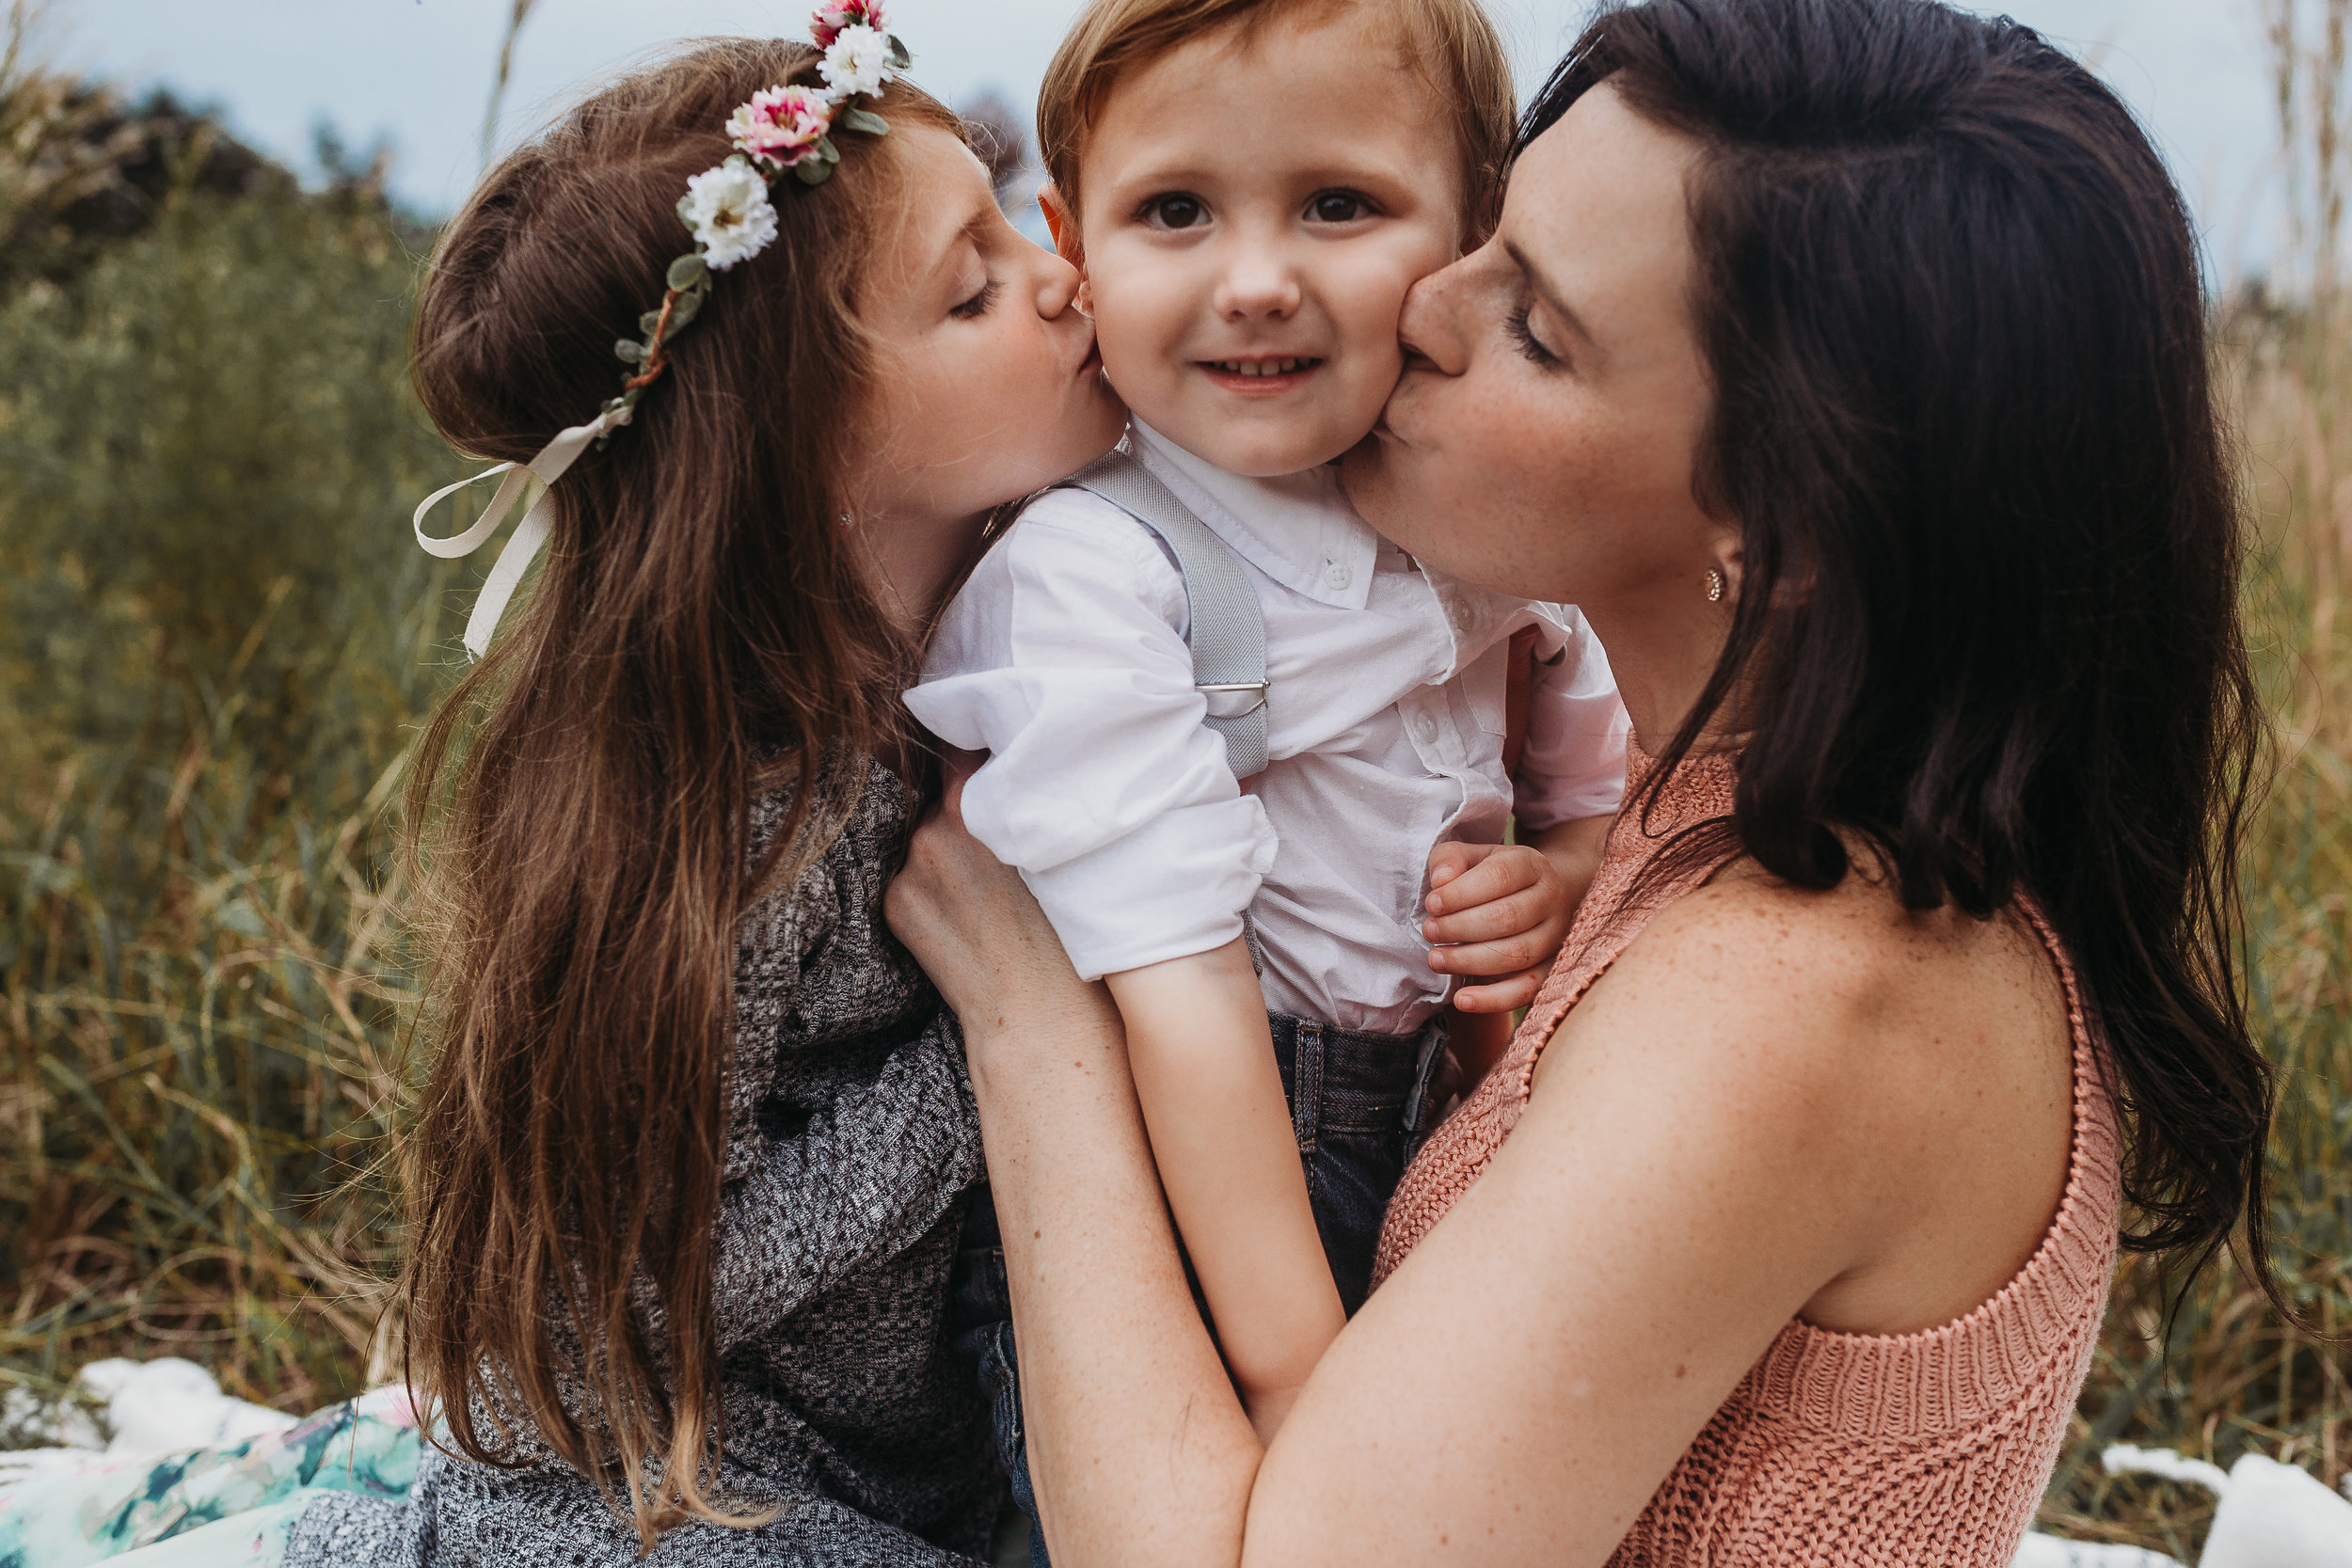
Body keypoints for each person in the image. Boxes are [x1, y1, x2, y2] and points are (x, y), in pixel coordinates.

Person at [884, 0, 2281, 1562]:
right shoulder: (1701, 815)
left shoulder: (1811, 1000)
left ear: (1786, 526)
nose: (1418, 307)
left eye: (1536, 325)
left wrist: (1031, 1027)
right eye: (1484, 235)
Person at [0, 21, 1125, 1568]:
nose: (1062, 268)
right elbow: (638, 1286)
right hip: (666, 1481)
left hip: (899, 1453)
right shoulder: (748, 804)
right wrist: (1001, 1062)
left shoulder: (1027, 645)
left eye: (1012, 219)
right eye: (975, 285)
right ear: (804, 437)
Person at [902, 0, 1627, 1513]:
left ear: (1475, 230)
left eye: (1339, 204)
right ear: (1072, 242)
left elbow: (1600, 798)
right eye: (1174, 212)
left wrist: (1556, 880)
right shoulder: (1100, 569)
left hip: (1456, 1125)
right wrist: (1307, 1372)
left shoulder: (1481, 518)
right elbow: (1182, 998)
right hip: (1196, 1177)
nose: (1254, 283)